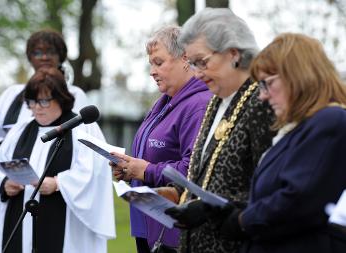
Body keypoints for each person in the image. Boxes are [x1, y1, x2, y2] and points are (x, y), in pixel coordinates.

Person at [194, 33, 346, 253]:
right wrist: (226, 210)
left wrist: (241, 221)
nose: (262, 96)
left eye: (268, 83)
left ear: (299, 76)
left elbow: (298, 201)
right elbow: (276, 196)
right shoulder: (300, 129)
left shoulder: (330, 121)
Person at [163, 8, 275, 253]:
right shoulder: (215, 100)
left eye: (202, 62)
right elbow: (206, 172)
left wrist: (209, 210)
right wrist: (173, 193)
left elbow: (272, 190)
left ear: (233, 53)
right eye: (192, 64)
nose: (197, 73)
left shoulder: (262, 102)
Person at [0, 67, 115, 253]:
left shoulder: (82, 130)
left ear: (60, 97)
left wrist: (58, 183)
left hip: (62, 222)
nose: (36, 108)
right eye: (32, 101)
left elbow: (94, 174)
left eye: (43, 101)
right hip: (18, 216)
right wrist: (5, 183)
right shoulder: (20, 130)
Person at [110, 25, 212, 252]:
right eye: (150, 63)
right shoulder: (163, 102)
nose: (151, 71)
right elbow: (153, 157)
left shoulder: (198, 105)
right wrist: (129, 169)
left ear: (185, 58)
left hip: (174, 231)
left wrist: (146, 171)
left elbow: (195, 170)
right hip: (148, 225)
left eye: (159, 62)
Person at [0, 29, 87, 218]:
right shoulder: (12, 94)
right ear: (29, 57)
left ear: (61, 56)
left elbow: (84, 148)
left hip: (55, 194)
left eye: (50, 52)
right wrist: (10, 145)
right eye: (37, 53)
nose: (44, 57)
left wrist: (61, 183)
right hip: (15, 188)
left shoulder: (74, 94)